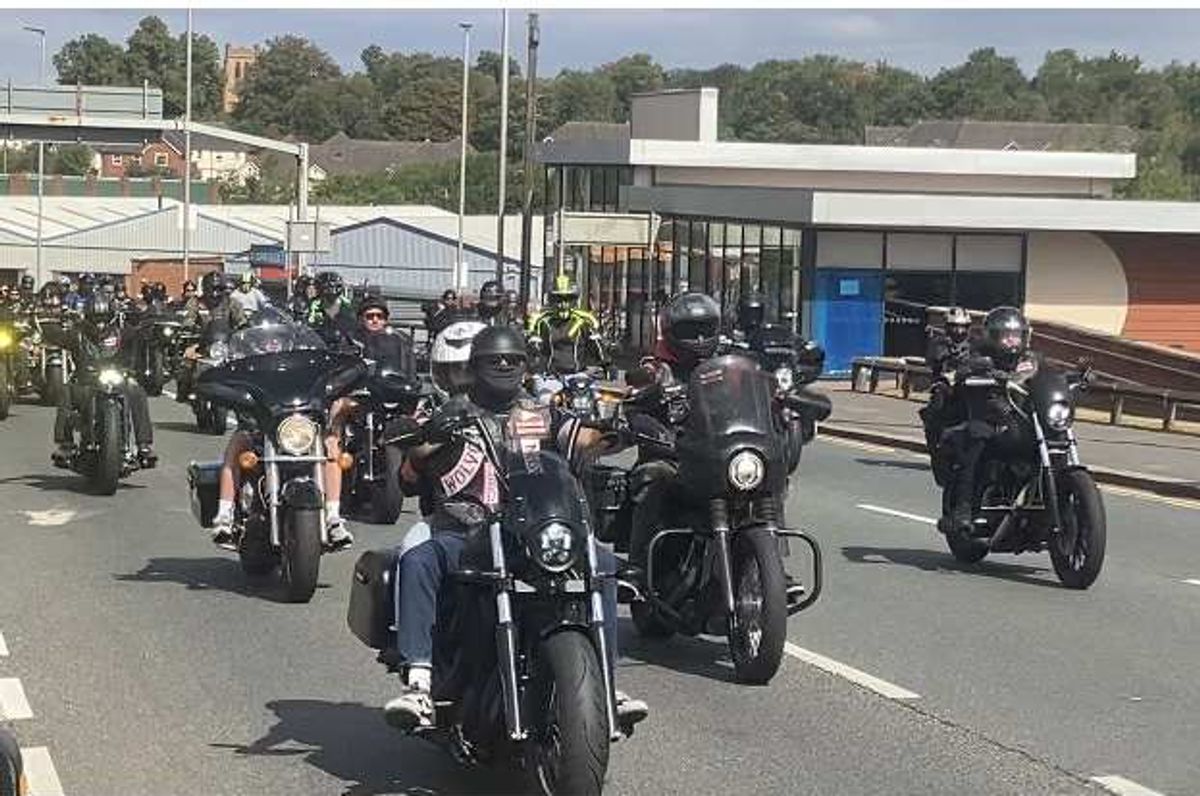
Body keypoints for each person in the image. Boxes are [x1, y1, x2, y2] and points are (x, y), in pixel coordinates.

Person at [382, 325, 648, 735]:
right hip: (464, 533)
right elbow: (409, 475)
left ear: (526, 366)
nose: (504, 366)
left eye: (513, 360)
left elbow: (579, 437)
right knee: (417, 559)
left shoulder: (539, 414)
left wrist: (614, 433)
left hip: (531, 532)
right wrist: (427, 442)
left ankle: (607, 683)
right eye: (494, 360)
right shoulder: (450, 413)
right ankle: (419, 681)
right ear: (475, 367)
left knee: (603, 562)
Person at [207, 311, 356, 551]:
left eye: (277, 336)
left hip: (297, 427)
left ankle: (333, 518)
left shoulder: (300, 361)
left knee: (330, 446)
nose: (272, 342)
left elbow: (321, 377)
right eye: (267, 338)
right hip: (258, 427)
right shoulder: (247, 363)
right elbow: (226, 379)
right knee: (236, 446)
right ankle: (224, 515)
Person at [320, 294, 417, 545]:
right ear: (362, 318)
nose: (375, 320)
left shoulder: (400, 341)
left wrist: (413, 386)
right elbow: (339, 368)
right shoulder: (351, 339)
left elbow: (410, 370)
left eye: (379, 316)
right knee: (338, 410)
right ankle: (331, 451)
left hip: (391, 398)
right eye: (370, 316)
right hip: (360, 397)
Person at [938, 306, 1038, 537]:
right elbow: (960, 370)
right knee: (978, 438)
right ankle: (963, 508)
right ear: (993, 337)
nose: (1012, 341)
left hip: (1022, 419)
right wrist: (970, 372)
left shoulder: (1029, 358)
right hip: (988, 416)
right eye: (1007, 335)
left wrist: (1072, 378)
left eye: (1017, 335)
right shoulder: (980, 355)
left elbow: (1046, 372)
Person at [48, 292, 156, 469]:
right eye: (95, 318)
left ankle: (144, 445)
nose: (99, 323)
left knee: (137, 390)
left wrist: (148, 324)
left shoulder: (122, 332)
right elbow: (56, 337)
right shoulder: (77, 333)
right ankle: (65, 444)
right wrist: (50, 326)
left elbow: (139, 334)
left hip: (117, 379)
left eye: (103, 318)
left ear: (111, 316)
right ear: (87, 316)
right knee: (66, 391)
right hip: (86, 382)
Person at [526, 274, 610, 377]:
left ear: (574, 300)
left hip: (579, 376)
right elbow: (534, 350)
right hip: (550, 377)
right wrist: (532, 367)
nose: (563, 304)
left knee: (595, 393)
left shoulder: (584, 321)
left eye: (567, 299)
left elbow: (596, 345)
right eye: (559, 299)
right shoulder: (541, 321)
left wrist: (607, 365)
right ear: (552, 300)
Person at [920, 307, 973, 462]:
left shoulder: (973, 344)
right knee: (938, 398)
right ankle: (933, 434)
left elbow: (983, 355)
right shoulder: (939, 342)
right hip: (945, 383)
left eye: (962, 327)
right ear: (947, 327)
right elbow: (932, 358)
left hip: (968, 382)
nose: (959, 330)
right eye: (955, 326)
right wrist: (945, 356)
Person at [307, 272, 358, 352]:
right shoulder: (314, 304)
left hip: (343, 345)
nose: (329, 290)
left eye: (332, 287)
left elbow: (354, 326)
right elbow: (308, 324)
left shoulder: (348, 305)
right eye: (326, 287)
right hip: (319, 345)